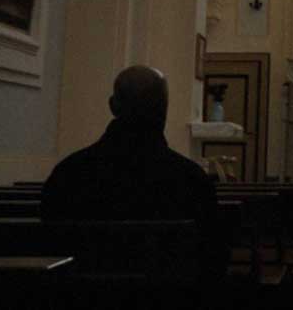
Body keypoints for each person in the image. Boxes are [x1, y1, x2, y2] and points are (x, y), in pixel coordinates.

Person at [41, 66, 225, 275]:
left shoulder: (69, 174)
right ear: (163, 109)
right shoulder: (192, 180)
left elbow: (49, 247)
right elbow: (213, 259)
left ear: (112, 106)